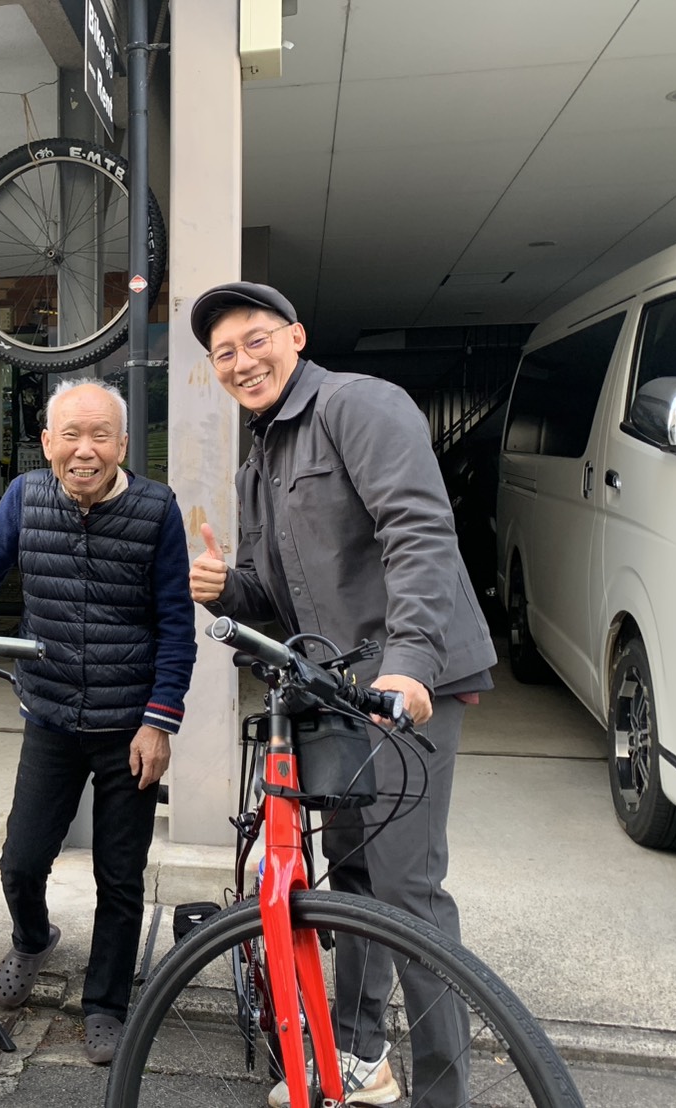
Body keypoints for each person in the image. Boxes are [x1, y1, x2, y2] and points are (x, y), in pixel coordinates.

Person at [186, 282, 496, 1108]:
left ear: (295, 337)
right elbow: (274, 593)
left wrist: (411, 664)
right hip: (337, 691)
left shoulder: (358, 404)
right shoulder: (259, 461)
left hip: (405, 684)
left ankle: (442, 1095)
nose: (241, 362)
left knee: (406, 890)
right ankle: (360, 1057)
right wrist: (223, 589)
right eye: (223, 353)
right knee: (352, 878)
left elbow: (418, 530)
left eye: (255, 340)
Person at [0, 378, 196, 1065]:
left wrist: (160, 721)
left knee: (120, 875)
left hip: (127, 725)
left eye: (100, 435)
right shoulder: (25, 497)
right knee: (21, 861)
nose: (85, 450)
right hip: (49, 715)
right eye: (70, 435)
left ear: (123, 444)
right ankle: (32, 940)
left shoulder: (156, 509)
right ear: (47, 443)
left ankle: (105, 1002)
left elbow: (177, 624)